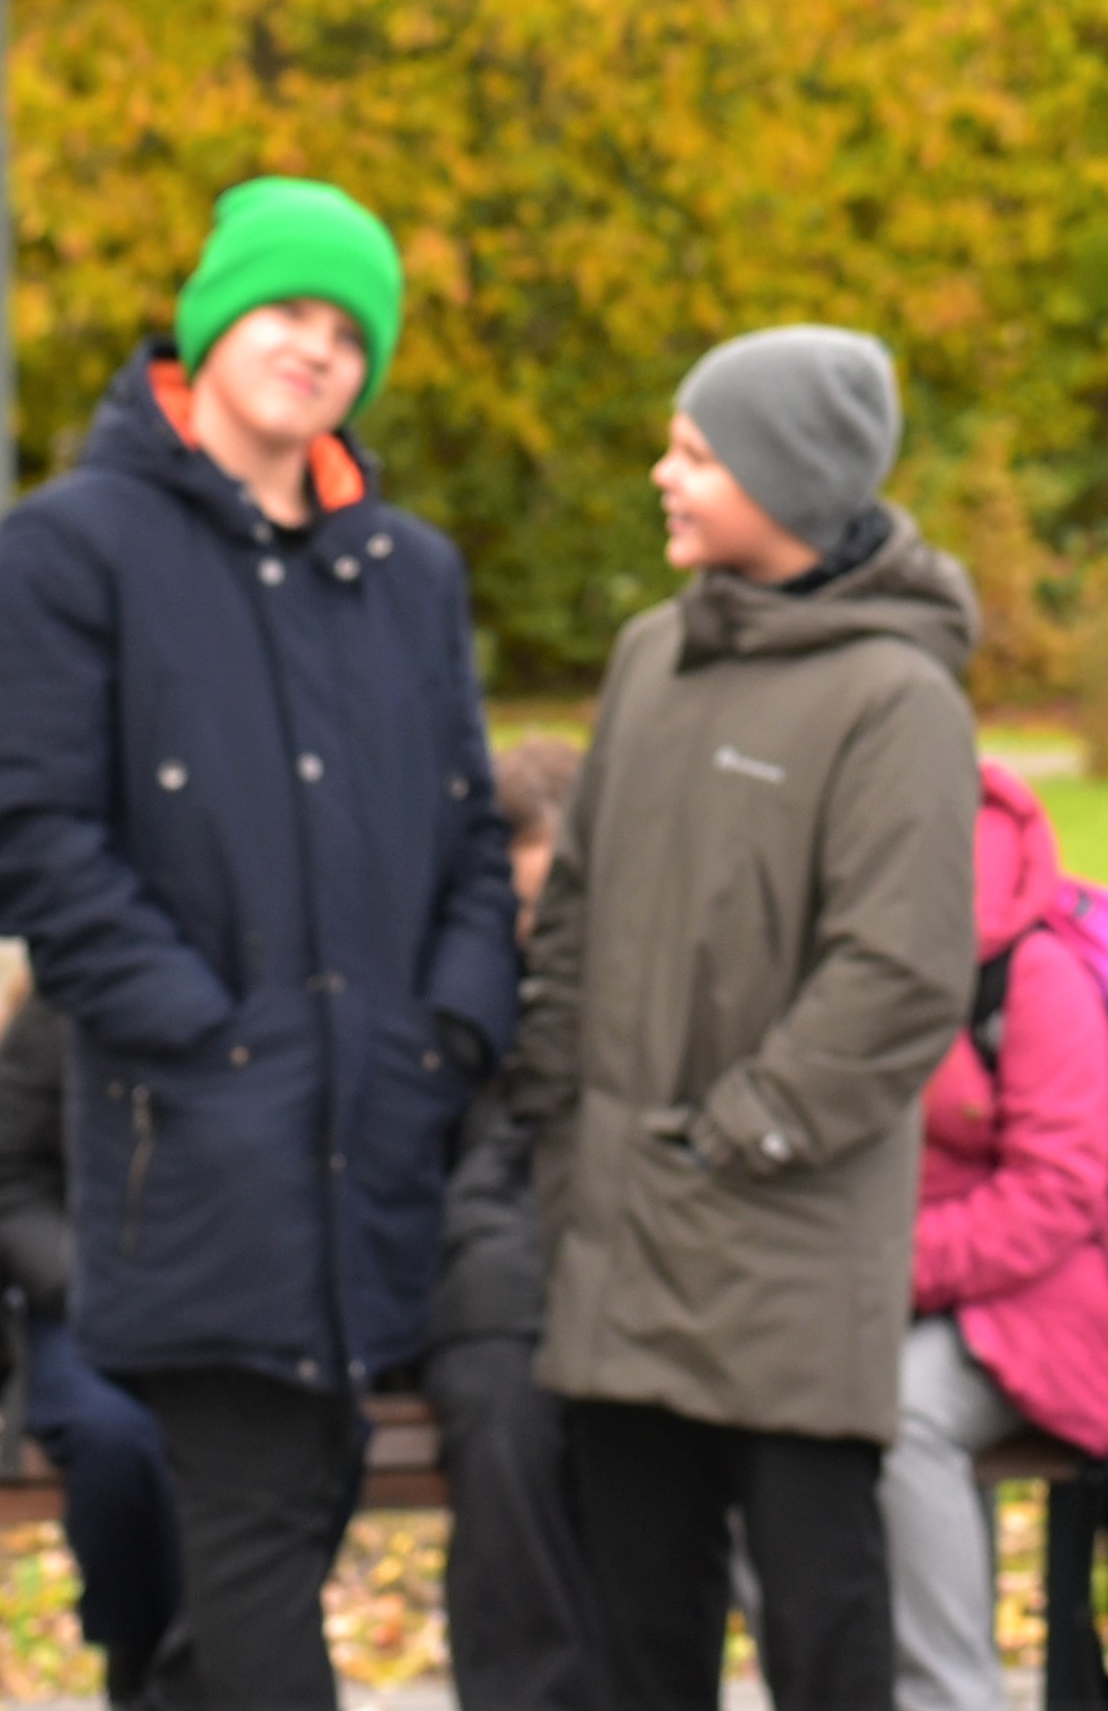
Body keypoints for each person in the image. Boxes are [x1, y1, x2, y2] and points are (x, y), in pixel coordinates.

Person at [0, 177, 516, 1711]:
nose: (315, 347)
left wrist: (447, 1027)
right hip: (195, 1153)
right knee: (263, 1553)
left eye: (349, 329)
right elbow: (20, 842)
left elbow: (473, 836)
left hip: (376, 1151)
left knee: (284, 1524)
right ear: (210, 322)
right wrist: (203, 1033)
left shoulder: (408, 576)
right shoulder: (74, 552)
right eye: (285, 309)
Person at [520, 330, 980, 1711]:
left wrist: (738, 1134)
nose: (664, 474)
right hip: (620, 1244)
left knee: (820, 1637)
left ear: (786, 479)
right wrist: (560, 1135)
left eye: (697, 453)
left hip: (781, 1248)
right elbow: (575, 917)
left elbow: (898, 973)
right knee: (635, 1640)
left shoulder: (895, 696)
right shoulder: (647, 658)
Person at [883, 757, 1108, 1711]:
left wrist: (895, 1269)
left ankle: (951, 1698)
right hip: (895, 1288)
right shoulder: (849, 943)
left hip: (1046, 1300)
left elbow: (1056, 1192)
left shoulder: (1031, 972)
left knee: (904, 1416)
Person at [432, 733, 598, 1711]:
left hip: (616, 1278)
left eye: (559, 902)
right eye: (520, 906)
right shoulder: (457, 997)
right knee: (507, 1424)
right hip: (483, 1292)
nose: (538, 928)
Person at [0, 979, 184, 1709]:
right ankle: (137, 1657)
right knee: (114, 1437)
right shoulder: (56, 1013)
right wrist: (85, 1284)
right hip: (84, 1308)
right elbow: (1, 1185)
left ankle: (188, 1665)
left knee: (232, 1443)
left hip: (227, 1305)